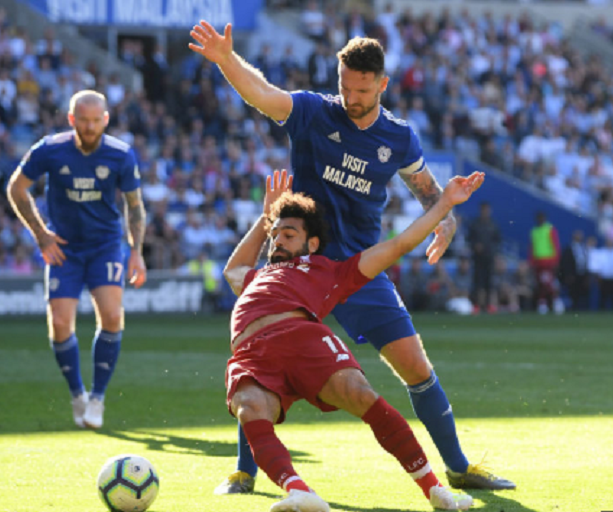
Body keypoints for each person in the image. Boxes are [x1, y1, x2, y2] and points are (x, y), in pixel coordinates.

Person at [189, 23, 515, 492]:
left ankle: (459, 467)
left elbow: (428, 190)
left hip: (360, 267)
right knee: (261, 356)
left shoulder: (399, 138)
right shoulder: (313, 112)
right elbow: (263, 94)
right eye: (344, 85)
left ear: (382, 84)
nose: (350, 97)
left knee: (416, 366)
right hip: (298, 264)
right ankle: (246, 471)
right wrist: (226, 60)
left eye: (361, 89)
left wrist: (446, 223)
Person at [225, 169, 483, 511]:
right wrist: (264, 219)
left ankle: (436, 489)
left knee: (359, 394)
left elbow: (399, 244)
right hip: (251, 353)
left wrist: (445, 203)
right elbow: (232, 270)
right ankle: (299, 491)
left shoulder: (330, 271)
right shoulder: (259, 275)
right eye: (275, 235)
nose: (278, 241)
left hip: (303, 340)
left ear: (311, 244)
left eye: (288, 234)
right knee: (249, 408)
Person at [7, 90, 147, 429]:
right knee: (59, 323)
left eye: (95, 121)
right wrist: (41, 235)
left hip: (105, 245)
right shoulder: (50, 149)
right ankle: (77, 394)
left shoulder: (121, 154)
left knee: (113, 315)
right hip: (63, 247)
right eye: (82, 120)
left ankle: (98, 397)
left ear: (105, 120)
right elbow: (16, 188)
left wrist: (137, 252)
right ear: (71, 119)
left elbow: (134, 205)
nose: (89, 126)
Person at [467, 201, 501, 313]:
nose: (485, 212)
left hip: (489, 258)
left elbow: (497, 241)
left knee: (490, 282)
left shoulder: (493, 225)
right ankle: (478, 305)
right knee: (478, 282)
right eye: (483, 210)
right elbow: (469, 239)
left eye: (487, 210)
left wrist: (496, 256)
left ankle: (490, 305)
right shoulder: (475, 224)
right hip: (478, 258)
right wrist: (475, 246)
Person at [529, 211, 562, 314]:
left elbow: (555, 245)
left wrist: (556, 260)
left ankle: (554, 302)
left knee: (548, 283)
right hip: (538, 262)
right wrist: (531, 261)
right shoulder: (534, 231)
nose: (540, 220)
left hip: (548, 261)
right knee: (541, 284)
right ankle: (544, 303)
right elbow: (532, 247)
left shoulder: (550, 229)